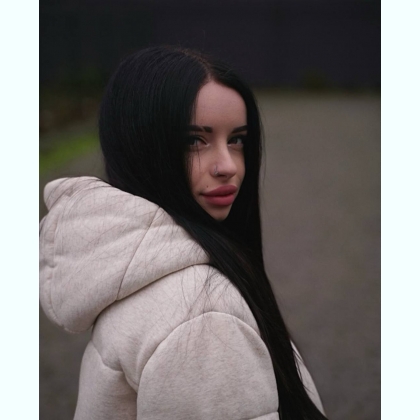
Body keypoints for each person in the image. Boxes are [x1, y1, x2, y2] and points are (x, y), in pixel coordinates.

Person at [40, 46, 327, 420]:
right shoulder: (202, 316)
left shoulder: (131, 268)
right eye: (195, 141)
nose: (227, 166)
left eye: (237, 139)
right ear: (140, 145)